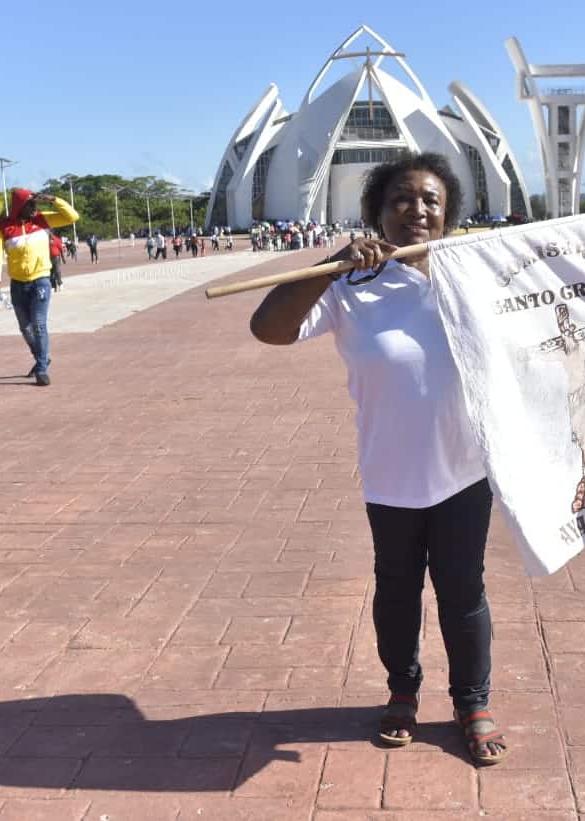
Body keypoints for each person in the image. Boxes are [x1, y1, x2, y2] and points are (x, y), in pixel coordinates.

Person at [248, 153, 507, 766]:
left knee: (462, 590)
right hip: (390, 473)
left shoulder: (478, 275)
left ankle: (472, 701)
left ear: (448, 214)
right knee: (396, 588)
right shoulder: (350, 287)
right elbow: (269, 328)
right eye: (401, 199)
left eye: (430, 200)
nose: (416, 209)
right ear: (377, 213)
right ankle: (402, 690)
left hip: (464, 469)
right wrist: (329, 266)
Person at [0, 189, 78, 386]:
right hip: (18, 284)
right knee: (25, 328)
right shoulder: (3, 227)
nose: (35, 209)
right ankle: (42, 355)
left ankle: (42, 368)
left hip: (41, 281)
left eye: (36, 205)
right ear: (20, 206)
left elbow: (72, 217)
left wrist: (53, 200)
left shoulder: (42, 220)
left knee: (38, 324)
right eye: (31, 205)